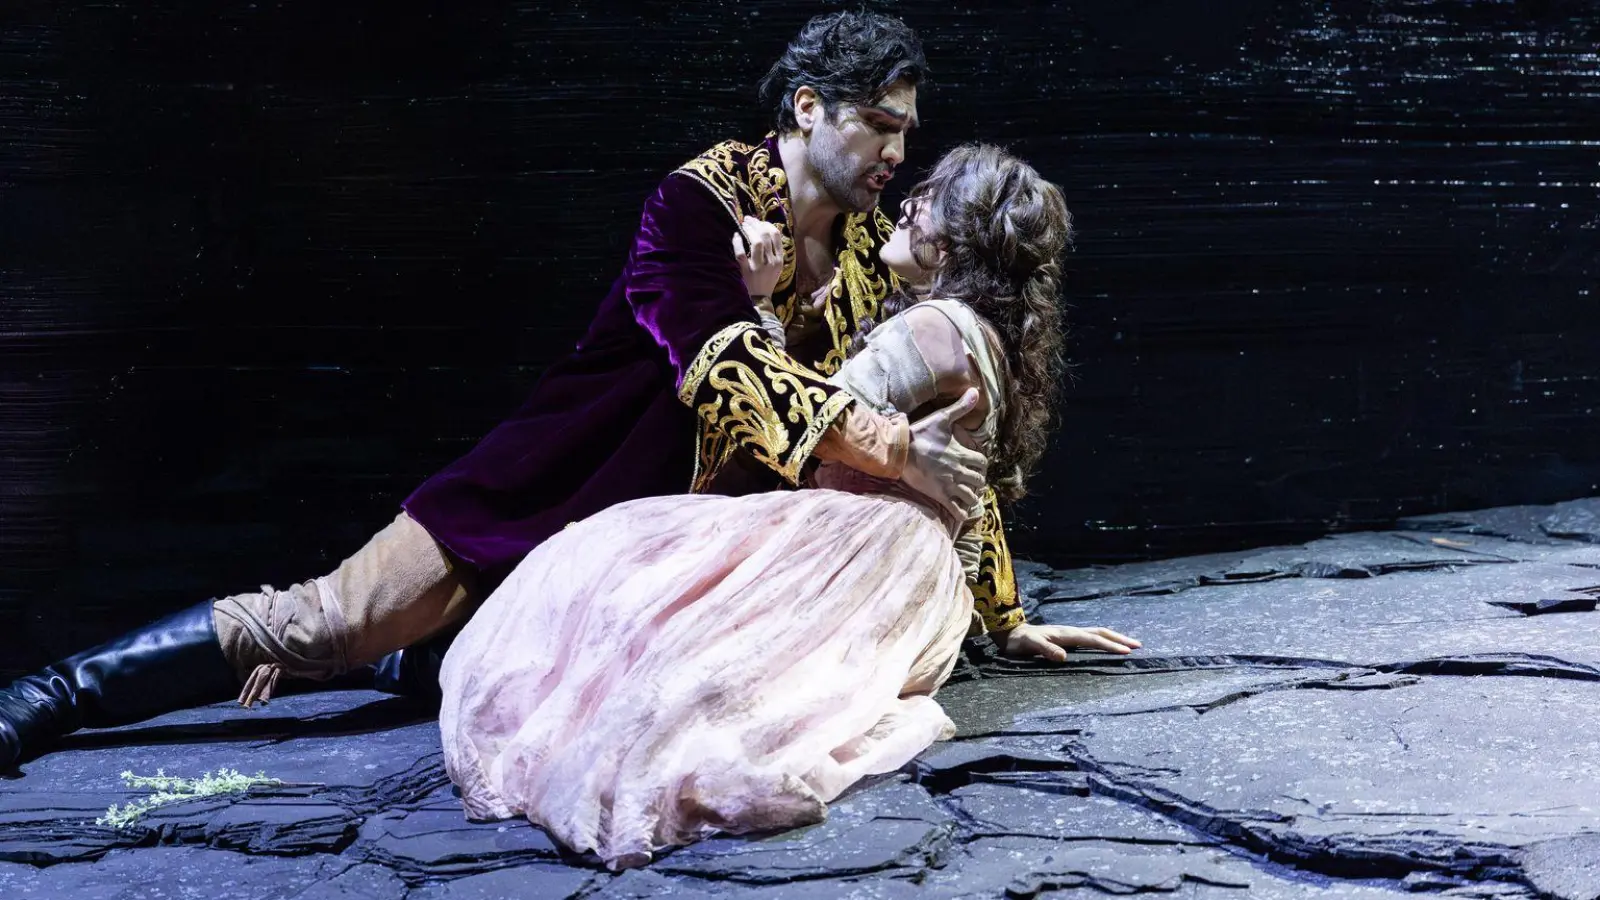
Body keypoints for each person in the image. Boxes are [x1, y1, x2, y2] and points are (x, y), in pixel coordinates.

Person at [0, 11, 1049, 772]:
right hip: (552, 489)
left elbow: (938, 433)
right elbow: (726, 370)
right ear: (808, 108)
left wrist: (999, 611)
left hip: (658, 557)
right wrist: (866, 419)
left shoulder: (873, 250)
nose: (896, 153)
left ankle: (405, 665)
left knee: (555, 696)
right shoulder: (696, 204)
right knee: (327, 622)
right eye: (878, 123)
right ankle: (48, 696)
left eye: (907, 131)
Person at [438, 144, 1142, 870]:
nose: (907, 201)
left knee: (625, 588)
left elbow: (817, 427)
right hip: (917, 583)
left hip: (857, 553)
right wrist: (1005, 621)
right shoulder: (984, 338)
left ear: (960, 237)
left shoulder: (929, 328)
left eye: (928, 197)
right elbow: (975, 499)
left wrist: (762, 303)